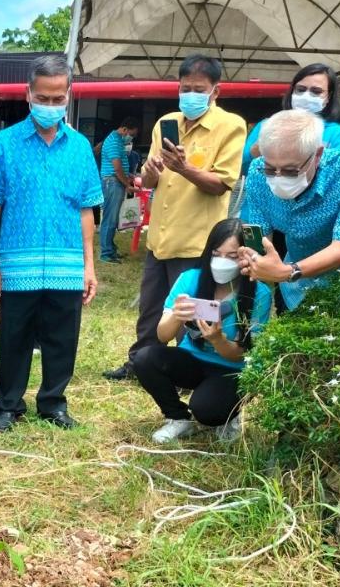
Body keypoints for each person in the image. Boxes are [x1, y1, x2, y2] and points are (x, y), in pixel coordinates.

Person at [104, 55, 246, 381]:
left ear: (215, 91)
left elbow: (222, 182)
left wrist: (185, 168)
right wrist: (150, 172)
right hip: (162, 235)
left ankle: (185, 368)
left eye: (199, 89)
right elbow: (150, 182)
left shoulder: (230, 125)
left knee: (190, 309)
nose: (191, 95)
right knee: (152, 307)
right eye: (185, 88)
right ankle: (140, 362)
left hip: (198, 238)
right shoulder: (165, 122)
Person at [0, 55, 102, 432]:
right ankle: (8, 404)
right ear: (28, 93)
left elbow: (86, 210)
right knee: (14, 337)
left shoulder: (81, 147)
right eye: (43, 97)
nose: (51, 106)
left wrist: (89, 265)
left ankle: (53, 402)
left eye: (57, 98)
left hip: (67, 264)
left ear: (68, 94)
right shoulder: (3, 145)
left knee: (62, 338)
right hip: (18, 264)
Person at [132, 218, 273, 443]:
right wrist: (177, 316)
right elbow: (162, 336)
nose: (222, 262)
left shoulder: (259, 294)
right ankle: (178, 418)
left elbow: (245, 354)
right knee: (144, 358)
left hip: (232, 369)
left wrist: (218, 340)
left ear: (248, 257)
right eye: (216, 254)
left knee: (208, 411)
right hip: (193, 358)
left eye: (233, 256)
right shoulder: (191, 280)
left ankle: (230, 414)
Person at [238, 109, 340, 309]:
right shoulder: (257, 172)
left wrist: (287, 272)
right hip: (302, 270)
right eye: (271, 169)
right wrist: (254, 260)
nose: (278, 177)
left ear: (317, 155)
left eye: (290, 171)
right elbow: (257, 236)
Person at [241, 63, 340, 176]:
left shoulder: (336, 134)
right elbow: (240, 169)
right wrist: (254, 153)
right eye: (301, 89)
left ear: (328, 96)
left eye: (316, 91)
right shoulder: (266, 126)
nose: (306, 96)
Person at [98, 116, 139, 263]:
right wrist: (127, 184)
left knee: (113, 219)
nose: (131, 138)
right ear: (125, 129)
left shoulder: (117, 141)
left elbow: (120, 166)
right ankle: (106, 253)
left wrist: (128, 177)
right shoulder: (114, 141)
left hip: (116, 182)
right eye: (132, 134)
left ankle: (111, 249)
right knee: (110, 218)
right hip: (113, 182)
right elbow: (116, 167)